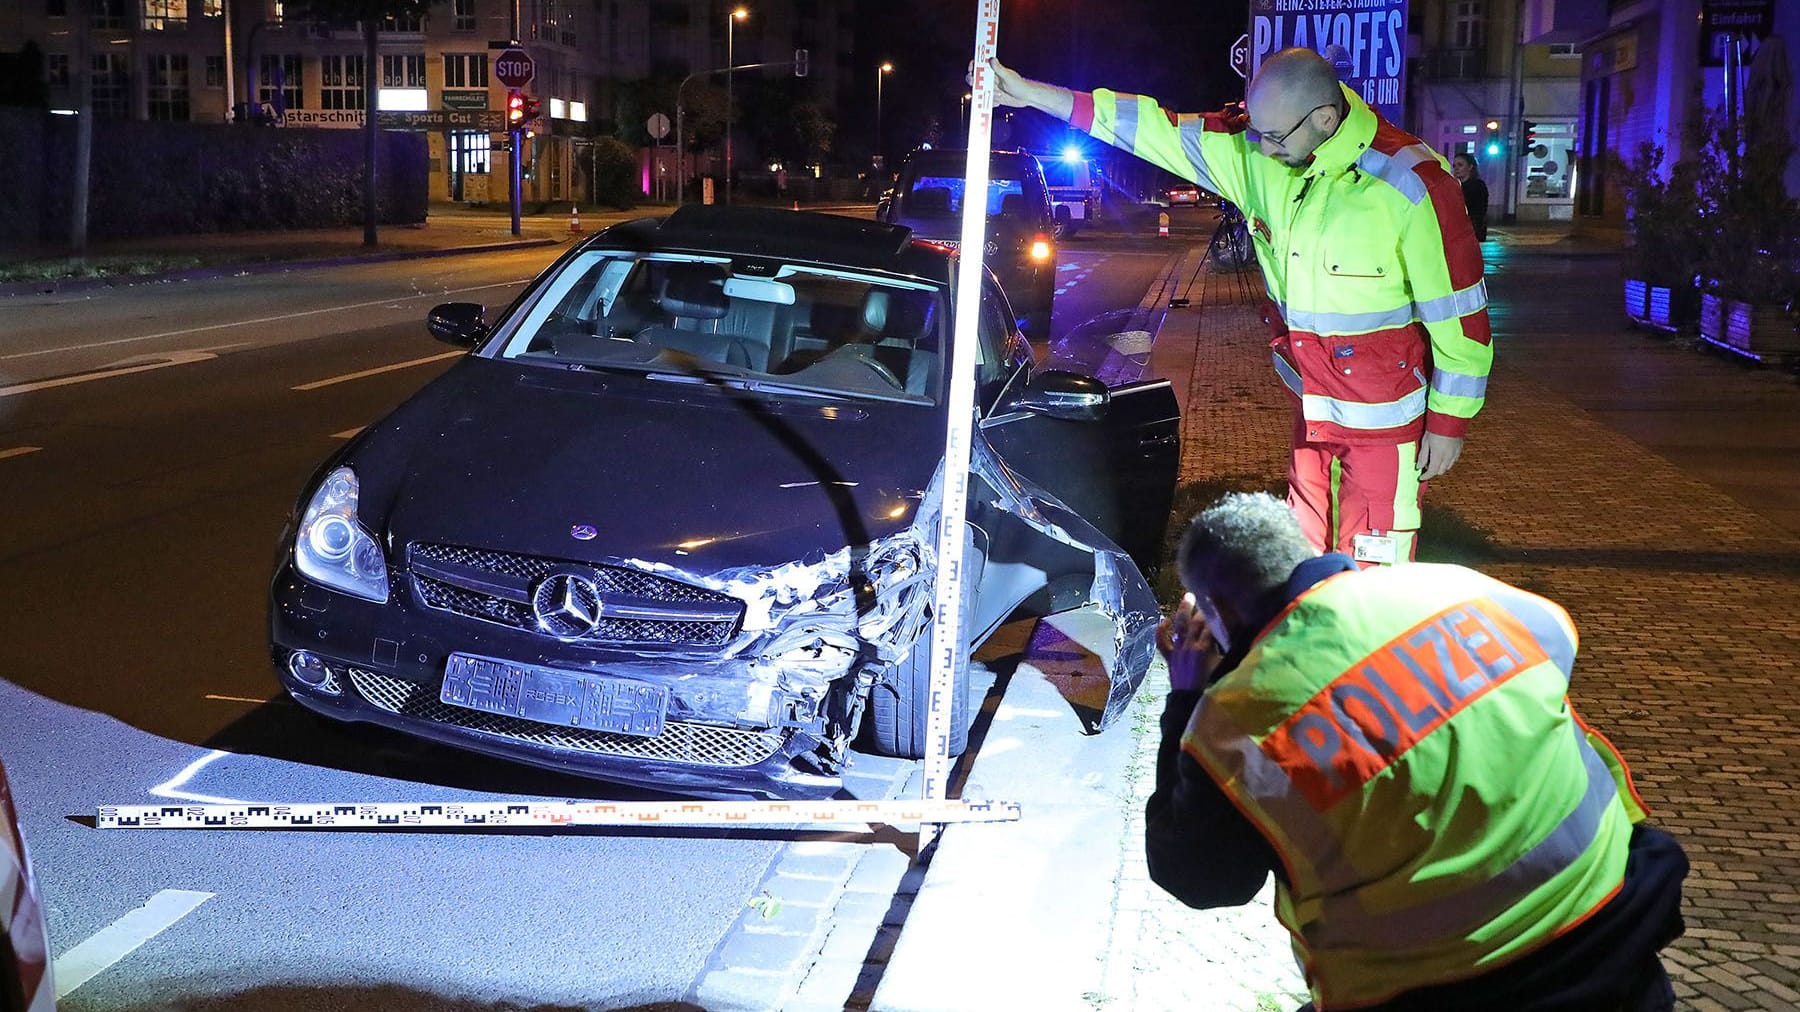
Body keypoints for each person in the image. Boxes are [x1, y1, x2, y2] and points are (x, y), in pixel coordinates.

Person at [1150, 492, 1688, 1011]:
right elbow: (1556, 643)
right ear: (1304, 553)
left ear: (1215, 611)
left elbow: (1200, 876)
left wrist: (1187, 697)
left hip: (1447, 988)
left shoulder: (1236, 720)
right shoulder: (1452, 587)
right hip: (1616, 924)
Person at [987, 49, 1491, 565]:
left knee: (1374, 569)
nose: (1264, 148)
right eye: (1258, 132)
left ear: (1324, 118)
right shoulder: (1258, 152)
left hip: (1386, 428)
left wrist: (1449, 422)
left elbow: (1461, 315)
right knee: (1303, 557)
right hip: (1312, 413)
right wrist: (1032, 94)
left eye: (1275, 136)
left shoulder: (1413, 184)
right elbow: (1151, 127)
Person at [1453, 153, 1490, 241]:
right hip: (1458, 231)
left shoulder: (1478, 186)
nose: (1456, 168)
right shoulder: (1454, 186)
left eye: (1460, 165)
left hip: (1471, 232)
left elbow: (1478, 212)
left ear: (1470, 167)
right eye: (1454, 166)